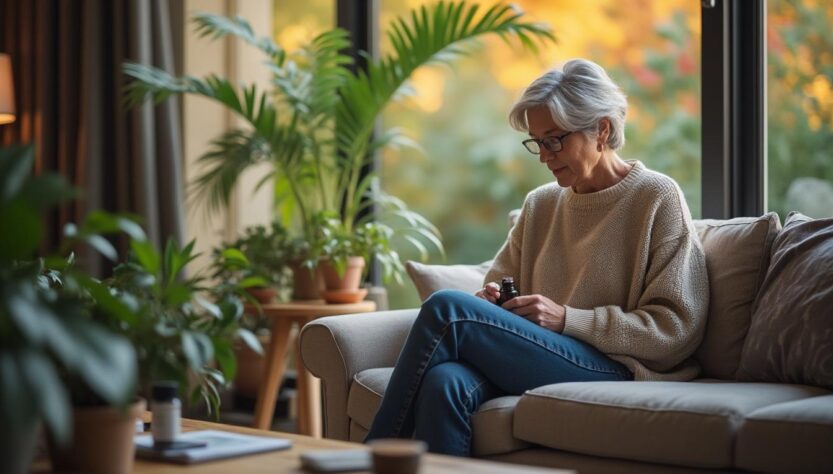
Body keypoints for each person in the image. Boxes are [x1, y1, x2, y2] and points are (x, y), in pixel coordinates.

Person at [364, 58, 709, 456]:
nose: (544, 156)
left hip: (617, 367)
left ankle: (368, 457)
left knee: (447, 309)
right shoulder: (541, 203)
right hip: (542, 356)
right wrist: (491, 301)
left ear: (602, 129)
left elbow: (676, 330)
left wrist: (567, 319)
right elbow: (495, 286)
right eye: (537, 143)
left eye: (554, 140)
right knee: (444, 382)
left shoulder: (656, 197)